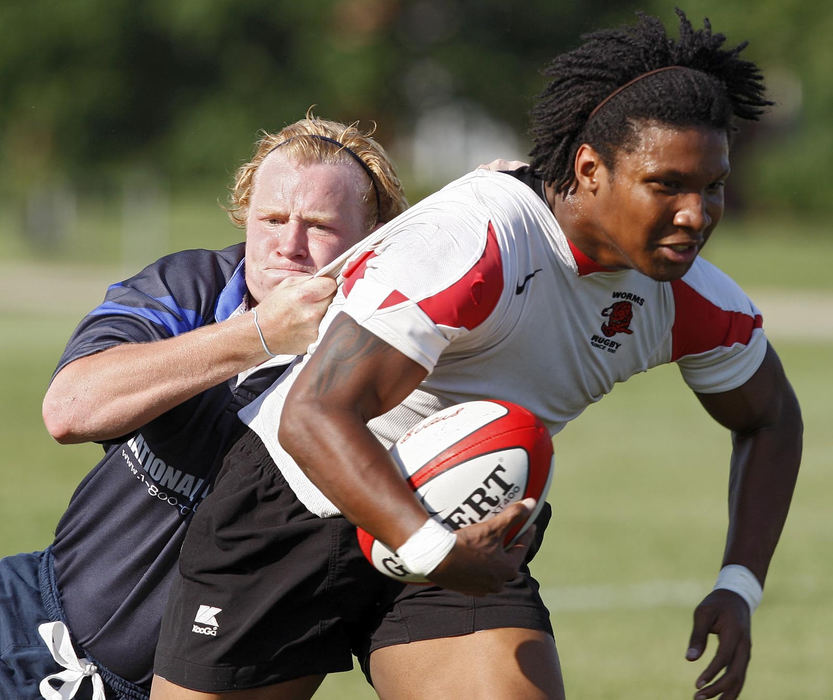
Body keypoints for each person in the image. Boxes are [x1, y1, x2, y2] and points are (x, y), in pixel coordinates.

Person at [151, 10, 802, 700]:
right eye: (666, 185)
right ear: (588, 169)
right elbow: (313, 415)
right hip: (296, 502)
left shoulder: (694, 299)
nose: (695, 214)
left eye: (712, 186)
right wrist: (429, 548)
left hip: (468, 522)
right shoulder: (478, 242)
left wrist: (739, 583)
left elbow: (769, 419)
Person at [0, 114, 409, 700]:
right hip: (29, 611)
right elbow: (70, 408)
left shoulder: (391, 356)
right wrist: (257, 334)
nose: (287, 246)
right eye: (270, 219)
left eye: (318, 226)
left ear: (373, 235)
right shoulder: (193, 286)